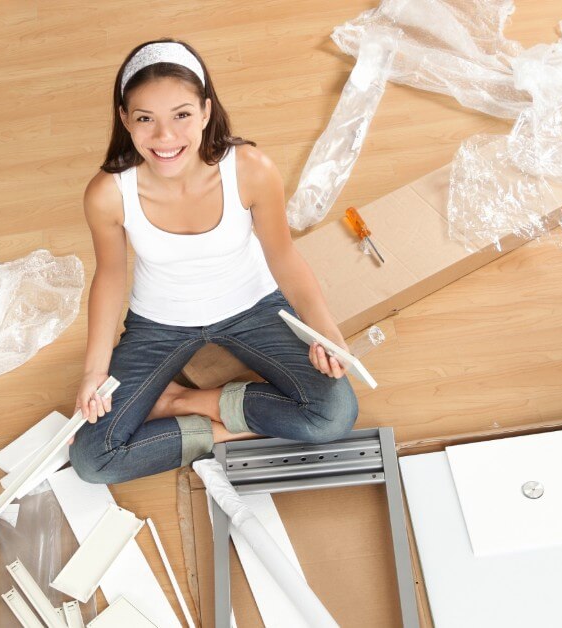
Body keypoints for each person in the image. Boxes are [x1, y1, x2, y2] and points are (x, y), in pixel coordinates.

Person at [69, 38, 358, 484]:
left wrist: (328, 333)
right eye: (146, 119)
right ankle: (220, 424)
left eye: (182, 115)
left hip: (254, 307)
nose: (165, 138)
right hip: (157, 324)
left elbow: (283, 255)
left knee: (334, 415)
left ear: (206, 111)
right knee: (91, 460)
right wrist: (94, 372)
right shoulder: (107, 193)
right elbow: (109, 276)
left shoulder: (251, 169)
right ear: (125, 119)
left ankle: (181, 403)